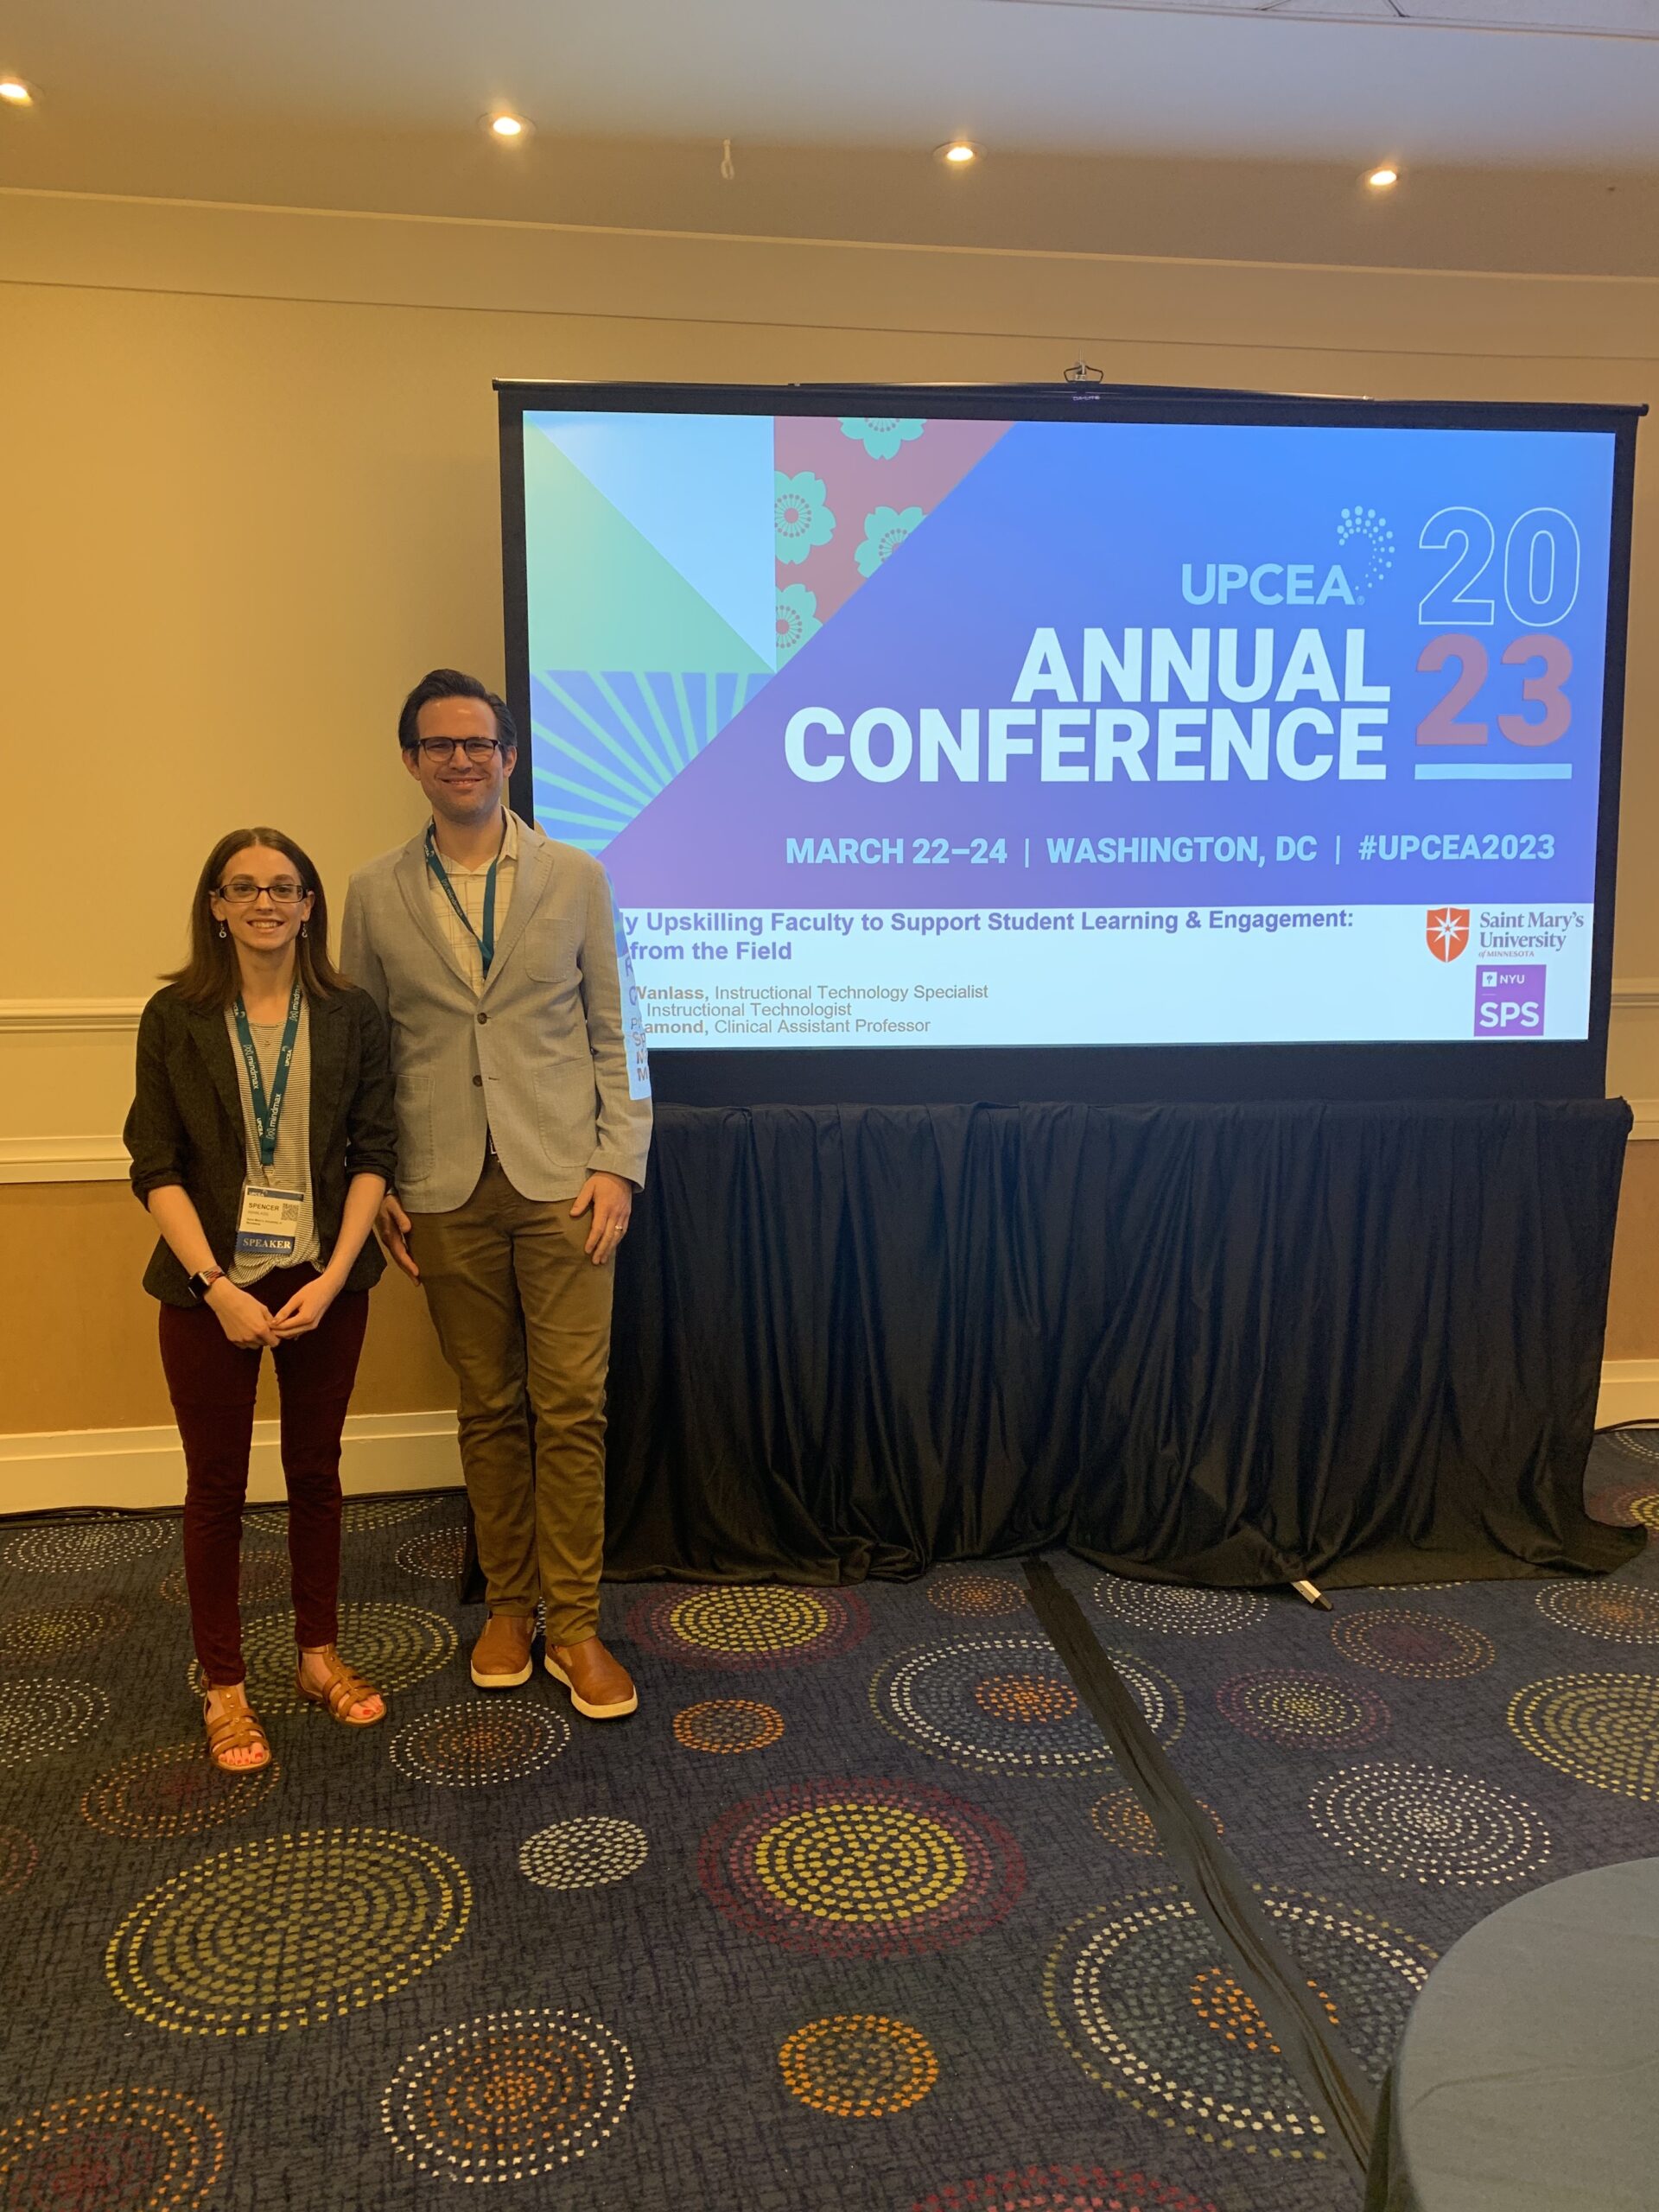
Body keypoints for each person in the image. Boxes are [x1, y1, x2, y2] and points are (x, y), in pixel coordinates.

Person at [340, 671, 652, 1719]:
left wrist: (619, 1160)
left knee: (572, 1406)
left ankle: (577, 1625)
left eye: (479, 743)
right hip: (439, 1183)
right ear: (411, 761)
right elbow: (364, 1051)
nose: (461, 760)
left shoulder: (576, 877)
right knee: (489, 1405)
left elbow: (622, 1031)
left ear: (510, 755)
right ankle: (508, 1606)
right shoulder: (373, 891)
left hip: (565, 1181)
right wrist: (370, 1178)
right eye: (440, 745)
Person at [125, 828, 398, 1772]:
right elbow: (153, 1164)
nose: (265, 902)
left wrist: (331, 1278)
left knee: (317, 1474)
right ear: (215, 905)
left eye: (283, 886)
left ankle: (318, 1657)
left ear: (309, 903)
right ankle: (227, 1687)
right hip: (212, 1288)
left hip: (325, 1279)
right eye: (242, 887)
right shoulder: (176, 1016)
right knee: (218, 1489)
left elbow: (374, 1154)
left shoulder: (352, 1014)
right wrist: (214, 1288)